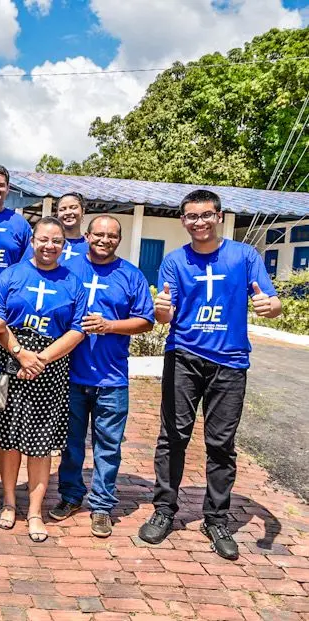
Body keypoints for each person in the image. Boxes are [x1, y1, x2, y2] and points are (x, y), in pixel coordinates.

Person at [138, 189, 281, 560]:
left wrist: (270, 306)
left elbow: (272, 301)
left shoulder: (243, 256)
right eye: (191, 216)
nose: (198, 222)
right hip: (184, 357)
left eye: (205, 215)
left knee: (221, 443)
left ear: (218, 216)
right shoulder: (174, 261)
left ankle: (215, 518)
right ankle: (164, 510)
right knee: (173, 436)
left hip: (230, 362)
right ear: (183, 221)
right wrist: (162, 310)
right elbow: (164, 315)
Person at [0, 217, 87, 543]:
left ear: (64, 246)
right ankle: (9, 502)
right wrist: (22, 354)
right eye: (43, 239)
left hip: (50, 368)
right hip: (13, 361)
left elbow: (77, 329)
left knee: (41, 442)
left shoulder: (72, 282)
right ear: (32, 241)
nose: (49, 246)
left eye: (56, 241)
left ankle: (34, 510)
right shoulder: (11, 275)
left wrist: (42, 359)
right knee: (9, 440)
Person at [48, 216, 154, 538]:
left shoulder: (131, 275)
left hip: (112, 377)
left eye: (111, 235)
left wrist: (109, 325)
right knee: (71, 443)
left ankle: (102, 506)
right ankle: (70, 496)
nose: (104, 239)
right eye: (98, 234)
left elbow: (145, 321)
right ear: (87, 236)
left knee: (107, 446)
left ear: (118, 240)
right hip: (71, 374)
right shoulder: (69, 270)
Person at [24, 193, 89, 264]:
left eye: (73, 207)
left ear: (83, 211)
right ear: (57, 214)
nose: (68, 212)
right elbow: (25, 269)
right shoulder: (41, 243)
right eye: (62, 209)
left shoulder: (90, 247)